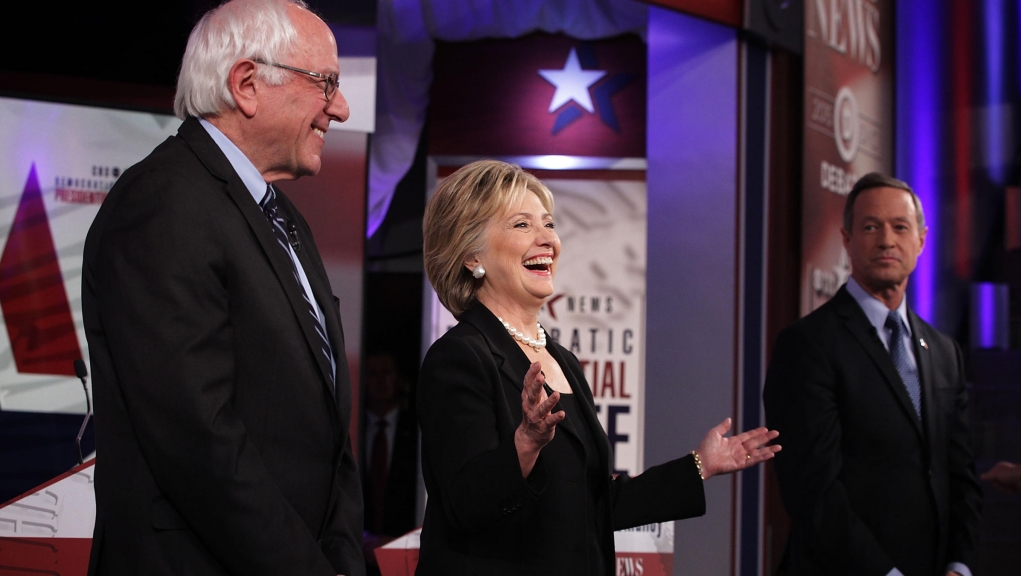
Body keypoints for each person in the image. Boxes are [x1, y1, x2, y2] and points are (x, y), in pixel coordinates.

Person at [81, 1, 363, 574]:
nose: (340, 107)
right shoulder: (163, 203)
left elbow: (323, 439)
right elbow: (198, 441)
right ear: (248, 84)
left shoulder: (281, 216)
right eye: (326, 82)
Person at [416, 159, 781, 575]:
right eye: (521, 225)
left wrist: (700, 464)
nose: (547, 240)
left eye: (549, 224)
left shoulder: (562, 360)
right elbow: (467, 504)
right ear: (470, 255)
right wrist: (526, 444)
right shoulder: (460, 357)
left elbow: (589, 503)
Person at [763, 173, 982, 576]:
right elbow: (813, 490)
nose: (886, 240)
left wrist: (959, 563)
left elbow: (960, 476)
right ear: (846, 240)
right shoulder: (808, 345)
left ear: (921, 240)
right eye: (870, 227)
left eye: (900, 227)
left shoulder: (945, 351)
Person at [361, 352, 419, 575]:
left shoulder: (417, 432)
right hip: (358, 553)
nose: (380, 381)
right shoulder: (351, 429)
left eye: (387, 373)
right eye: (373, 374)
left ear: (399, 379)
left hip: (405, 554)